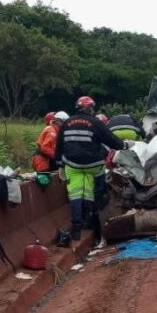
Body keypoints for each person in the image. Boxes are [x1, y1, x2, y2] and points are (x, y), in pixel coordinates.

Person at [55, 95, 129, 243]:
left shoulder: (66, 123)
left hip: (72, 165)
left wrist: (59, 163)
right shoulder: (94, 122)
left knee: (75, 194)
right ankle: (91, 221)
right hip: (93, 166)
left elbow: (59, 145)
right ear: (88, 108)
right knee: (93, 191)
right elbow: (111, 139)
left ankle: (76, 228)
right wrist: (124, 145)